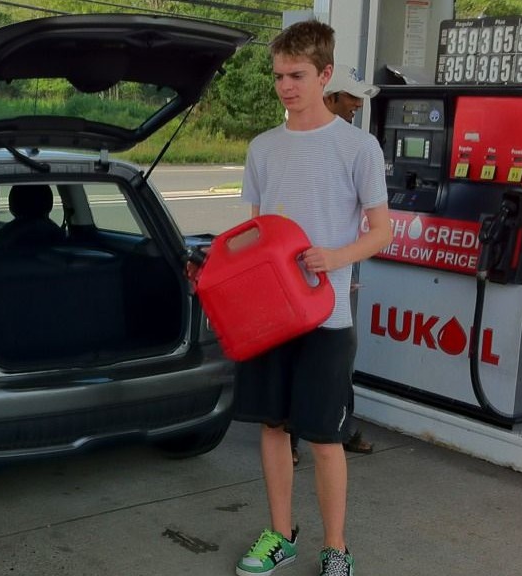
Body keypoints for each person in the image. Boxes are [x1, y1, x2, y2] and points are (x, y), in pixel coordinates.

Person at [231, 20, 391, 576]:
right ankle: (280, 535)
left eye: (297, 75)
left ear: (325, 74)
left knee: (324, 437)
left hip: (326, 315)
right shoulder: (263, 147)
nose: (286, 87)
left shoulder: (357, 146)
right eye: (278, 75)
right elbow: (252, 232)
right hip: (270, 319)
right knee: (273, 427)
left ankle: (337, 547)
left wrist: (335, 257)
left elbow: (382, 231)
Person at [289, 63, 381, 466]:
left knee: (334, 372)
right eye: (350, 96)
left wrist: (341, 265)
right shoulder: (284, 147)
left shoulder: (360, 147)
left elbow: (378, 230)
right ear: (328, 96)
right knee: (297, 377)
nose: (357, 104)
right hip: (294, 295)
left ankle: (337, 430)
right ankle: (297, 440)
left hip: (333, 299)